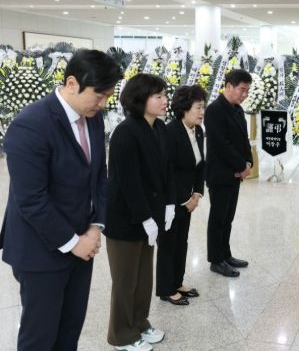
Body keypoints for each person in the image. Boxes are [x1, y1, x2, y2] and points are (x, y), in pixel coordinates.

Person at [0, 49, 121, 350]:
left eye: (108, 96)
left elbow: (99, 176)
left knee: (69, 330)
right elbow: (31, 200)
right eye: (99, 95)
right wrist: (72, 242)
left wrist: (95, 227)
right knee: (40, 337)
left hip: (83, 244)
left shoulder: (92, 118)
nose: (103, 104)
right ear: (72, 83)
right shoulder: (31, 124)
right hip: (41, 250)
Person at [104, 73, 175, 351]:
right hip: (127, 218)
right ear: (140, 100)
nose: (165, 100)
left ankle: (140, 323)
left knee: (144, 278)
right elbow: (129, 182)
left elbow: (167, 170)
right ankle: (121, 335)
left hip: (151, 216)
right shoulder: (126, 133)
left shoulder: (159, 128)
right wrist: (145, 217)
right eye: (158, 96)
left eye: (164, 95)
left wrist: (170, 203)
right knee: (125, 280)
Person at [156, 85, 206, 305]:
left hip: (189, 198)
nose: (202, 112)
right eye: (198, 107)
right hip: (170, 199)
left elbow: (200, 164)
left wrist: (197, 193)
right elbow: (167, 172)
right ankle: (166, 289)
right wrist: (185, 200)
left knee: (181, 242)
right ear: (184, 108)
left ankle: (177, 281)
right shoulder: (170, 132)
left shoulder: (198, 131)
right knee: (168, 243)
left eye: (203, 107)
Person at [205, 69, 253, 277]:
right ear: (228, 86)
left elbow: (244, 140)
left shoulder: (238, 110)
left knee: (228, 217)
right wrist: (241, 166)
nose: (245, 95)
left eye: (247, 91)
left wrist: (248, 162)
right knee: (218, 218)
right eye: (242, 90)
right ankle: (216, 260)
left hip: (235, 173)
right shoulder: (214, 110)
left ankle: (226, 254)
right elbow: (221, 144)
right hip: (220, 173)